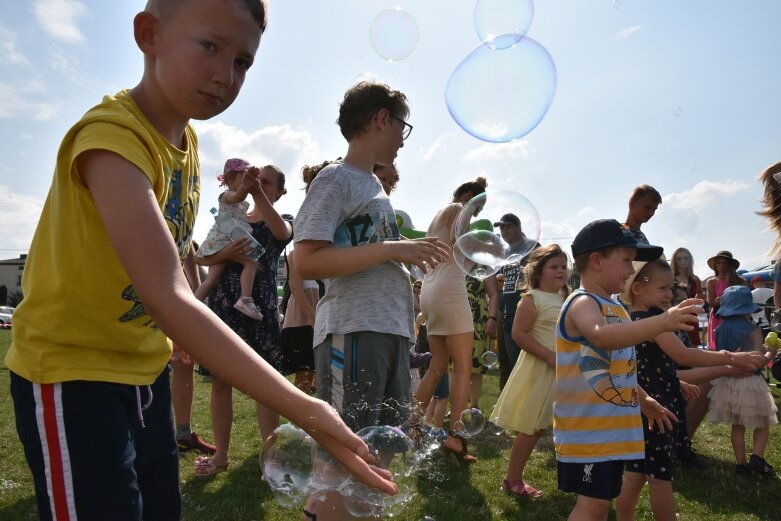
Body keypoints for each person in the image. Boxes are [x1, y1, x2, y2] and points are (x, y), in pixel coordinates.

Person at [4, 2, 397, 519]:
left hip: (143, 372)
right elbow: (167, 292)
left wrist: (169, 340)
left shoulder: (186, 142)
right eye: (210, 46)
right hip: (71, 374)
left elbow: (172, 264)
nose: (225, 75)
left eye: (243, 62)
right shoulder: (112, 138)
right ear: (149, 34)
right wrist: (305, 407)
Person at [293, 80, 449, 521]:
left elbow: (363, 254)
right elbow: (306, 260)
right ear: (382, 118)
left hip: (387, 330)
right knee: (347, 445)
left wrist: (405, 259)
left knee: (377, 446)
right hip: (354, 328)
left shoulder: (374, 188)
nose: (403, 138)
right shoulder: (336, 178)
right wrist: (393, 249)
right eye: (404, 126)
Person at [553, 219, 703, 521]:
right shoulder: (583, 302)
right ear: (596, 260)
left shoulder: (617, 308)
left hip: (611, 433)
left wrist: (643, 397)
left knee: (600, 504)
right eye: (626, 261)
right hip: (587, 432)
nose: (630, 269)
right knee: (592, 507)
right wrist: (661, 322)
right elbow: (600, 336)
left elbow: (618, 367)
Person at [614, 260, 766, 521]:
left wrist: (676, 382)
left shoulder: (633, 321)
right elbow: (684, 354)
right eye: (662, 288)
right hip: (658, 412)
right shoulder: (653, 322)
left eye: (670, 288)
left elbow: (648, 367)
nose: (669, 295)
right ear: (637, 288)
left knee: (636, 473)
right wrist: (730, 358)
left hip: (643, 408)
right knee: (661, 478)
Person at [195, 164, 293, 476]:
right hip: (225, 303)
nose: (258, 185)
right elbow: (203, 256)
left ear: (279, 191)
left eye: (266, 183)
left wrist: (255, 192)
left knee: (265, 383)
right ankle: (221, 456)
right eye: (256, 180)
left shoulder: (283, 219)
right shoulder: (233, 217)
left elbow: (282, 234)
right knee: (221, 381)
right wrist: (227, 253)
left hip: (259, 306)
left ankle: (271, 458)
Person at [416, 177, 489, 464]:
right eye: (477, 209)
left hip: (431, 291)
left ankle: (413, 423)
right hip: (450, 289)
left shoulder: (438, 214)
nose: (475, 215)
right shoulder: (459, 209)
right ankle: (457, 439)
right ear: (470, 197)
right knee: (462, 369)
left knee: (437, 366)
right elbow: (464, 253)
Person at [491, 244, 570, 498]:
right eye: (554, 267)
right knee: (533, 427)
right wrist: (548, 355)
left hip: (566, 369)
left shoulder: (566, 297)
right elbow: (518, 333)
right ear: (537, 271)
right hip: (542, 368)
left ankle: (578, 478)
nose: (561, 271)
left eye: (563, 266)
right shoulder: (532, 298)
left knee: (569, 425)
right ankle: (512, 478)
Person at [708, 285, 778, 476]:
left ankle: (741, 464)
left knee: (737, 426)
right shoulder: (753, 330)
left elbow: (720, 356)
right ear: (748, 310)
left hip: (729, 382)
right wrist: (771, 351)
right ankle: (757, 458)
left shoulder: (720, 330)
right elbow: (759, 361)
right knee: (763, 423)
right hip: (751, 382)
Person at [193, 158, 265, 319]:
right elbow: (239, 196)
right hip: (227, 239)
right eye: (243, 177)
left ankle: (192, 305)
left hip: (223, 239)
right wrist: (249, 183)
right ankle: (245, 299)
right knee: (252, 263)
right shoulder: (227, 195)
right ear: (232, 178)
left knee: (212, 279)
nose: (248, 181)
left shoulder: (233, 200)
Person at [494, 213, 541, 373]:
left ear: (518, 228)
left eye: (507, 226)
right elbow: (499, 279)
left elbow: (541, 276)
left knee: (525, 363)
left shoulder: (532, 246)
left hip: (525, 311)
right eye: (501, 228)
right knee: (507, 362)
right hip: (505, 312)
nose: (503, 231)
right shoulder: (504, 253)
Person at [279, 247, 318, 394]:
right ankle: (300, 414)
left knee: (313, 370)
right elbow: (295, 287)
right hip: (303, 320)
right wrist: (313, 318)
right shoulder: (295, 254)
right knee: (304, 373)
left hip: (318, 316)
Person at [465, 274, 498, 410]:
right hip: (455, 316)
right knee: (453, 364)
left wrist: (492, 318)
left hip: (478, 320)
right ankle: (458, 405)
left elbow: (494, 294)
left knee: (476, 363)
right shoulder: (454, 261)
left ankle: (474, 406)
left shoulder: (484, 266)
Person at [705, 250, 745, 348]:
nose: (721, 266)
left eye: (724, 263)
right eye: (718, 263)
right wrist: (720, 301)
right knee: (720, 347)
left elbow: (745, 301)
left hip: (736, 316)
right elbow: (711, 303)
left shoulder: (741, 281)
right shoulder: (711, 282)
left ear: (730, 265)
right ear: (715, 266)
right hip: (718, 317)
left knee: (737, 346)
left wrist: (727, 299)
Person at [670, 247, 703, 346]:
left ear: (690, 260)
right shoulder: (669, 278)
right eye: (679, 258)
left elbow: (700, 297)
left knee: (693, 347)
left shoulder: (695, 279)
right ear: (674, 260)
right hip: (675, 315)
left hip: (691, 316)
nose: (682, 261)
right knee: (676, 346)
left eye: (686, 258)